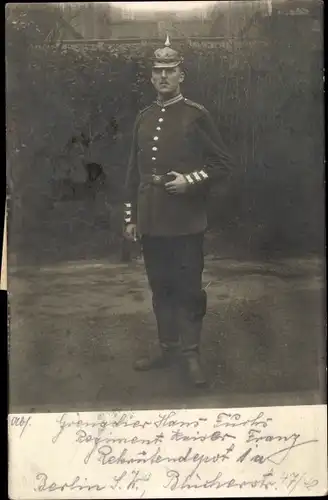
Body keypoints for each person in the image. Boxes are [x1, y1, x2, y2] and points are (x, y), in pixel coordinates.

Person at [123, 36, 234, 387]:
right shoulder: (144, 117)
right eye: (157, 71)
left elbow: (222, 164)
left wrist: (191, 180)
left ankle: (190, 354)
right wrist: (130, 217)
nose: (163, 77)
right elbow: (132, 173)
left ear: (181, 75)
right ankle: (167, 348)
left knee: (188, 288)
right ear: (151, 77)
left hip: (185, 219)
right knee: (160, 286)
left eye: (170, 71)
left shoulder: (195, 116)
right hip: (152, 218)